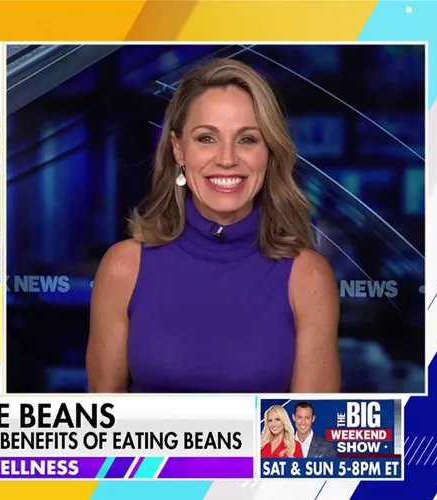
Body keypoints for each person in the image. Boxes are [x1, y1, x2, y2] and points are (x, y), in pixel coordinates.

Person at [86, 58, 340, 393]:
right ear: (179, 149)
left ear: (269, 151)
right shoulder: (123, 268)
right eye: (207, 138)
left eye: (247, 139)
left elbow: (308, 436)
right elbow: (106, 430)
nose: (226, 159)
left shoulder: (308, 277)